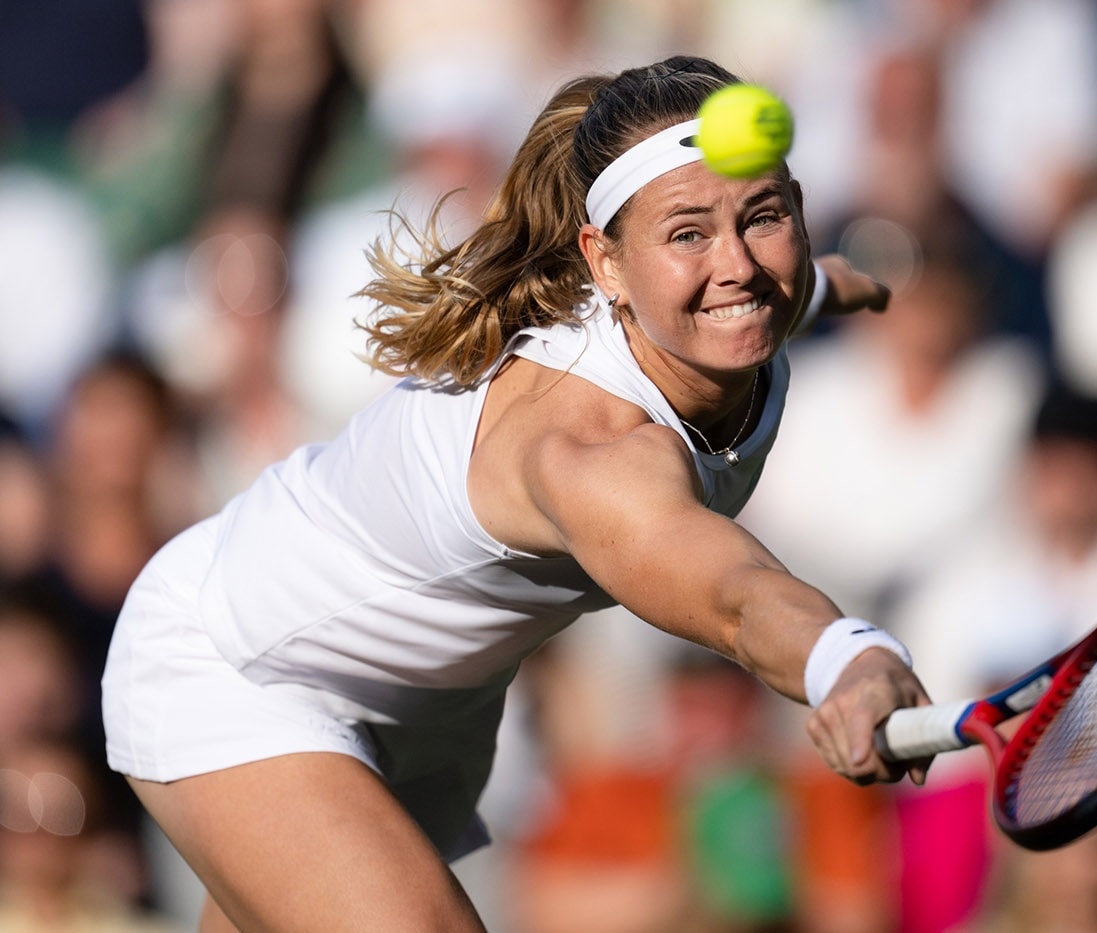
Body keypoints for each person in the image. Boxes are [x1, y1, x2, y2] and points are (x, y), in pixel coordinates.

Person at [100, 55, 928, 931]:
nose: (737, 266)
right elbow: (731, 596)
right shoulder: (587, 446)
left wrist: (836, 284)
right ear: (604, 264)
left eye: (764, 217)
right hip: (238, 657)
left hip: (419, 706)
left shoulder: (738, 301)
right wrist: (847, 655)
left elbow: (778, 287)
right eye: (687, 234)